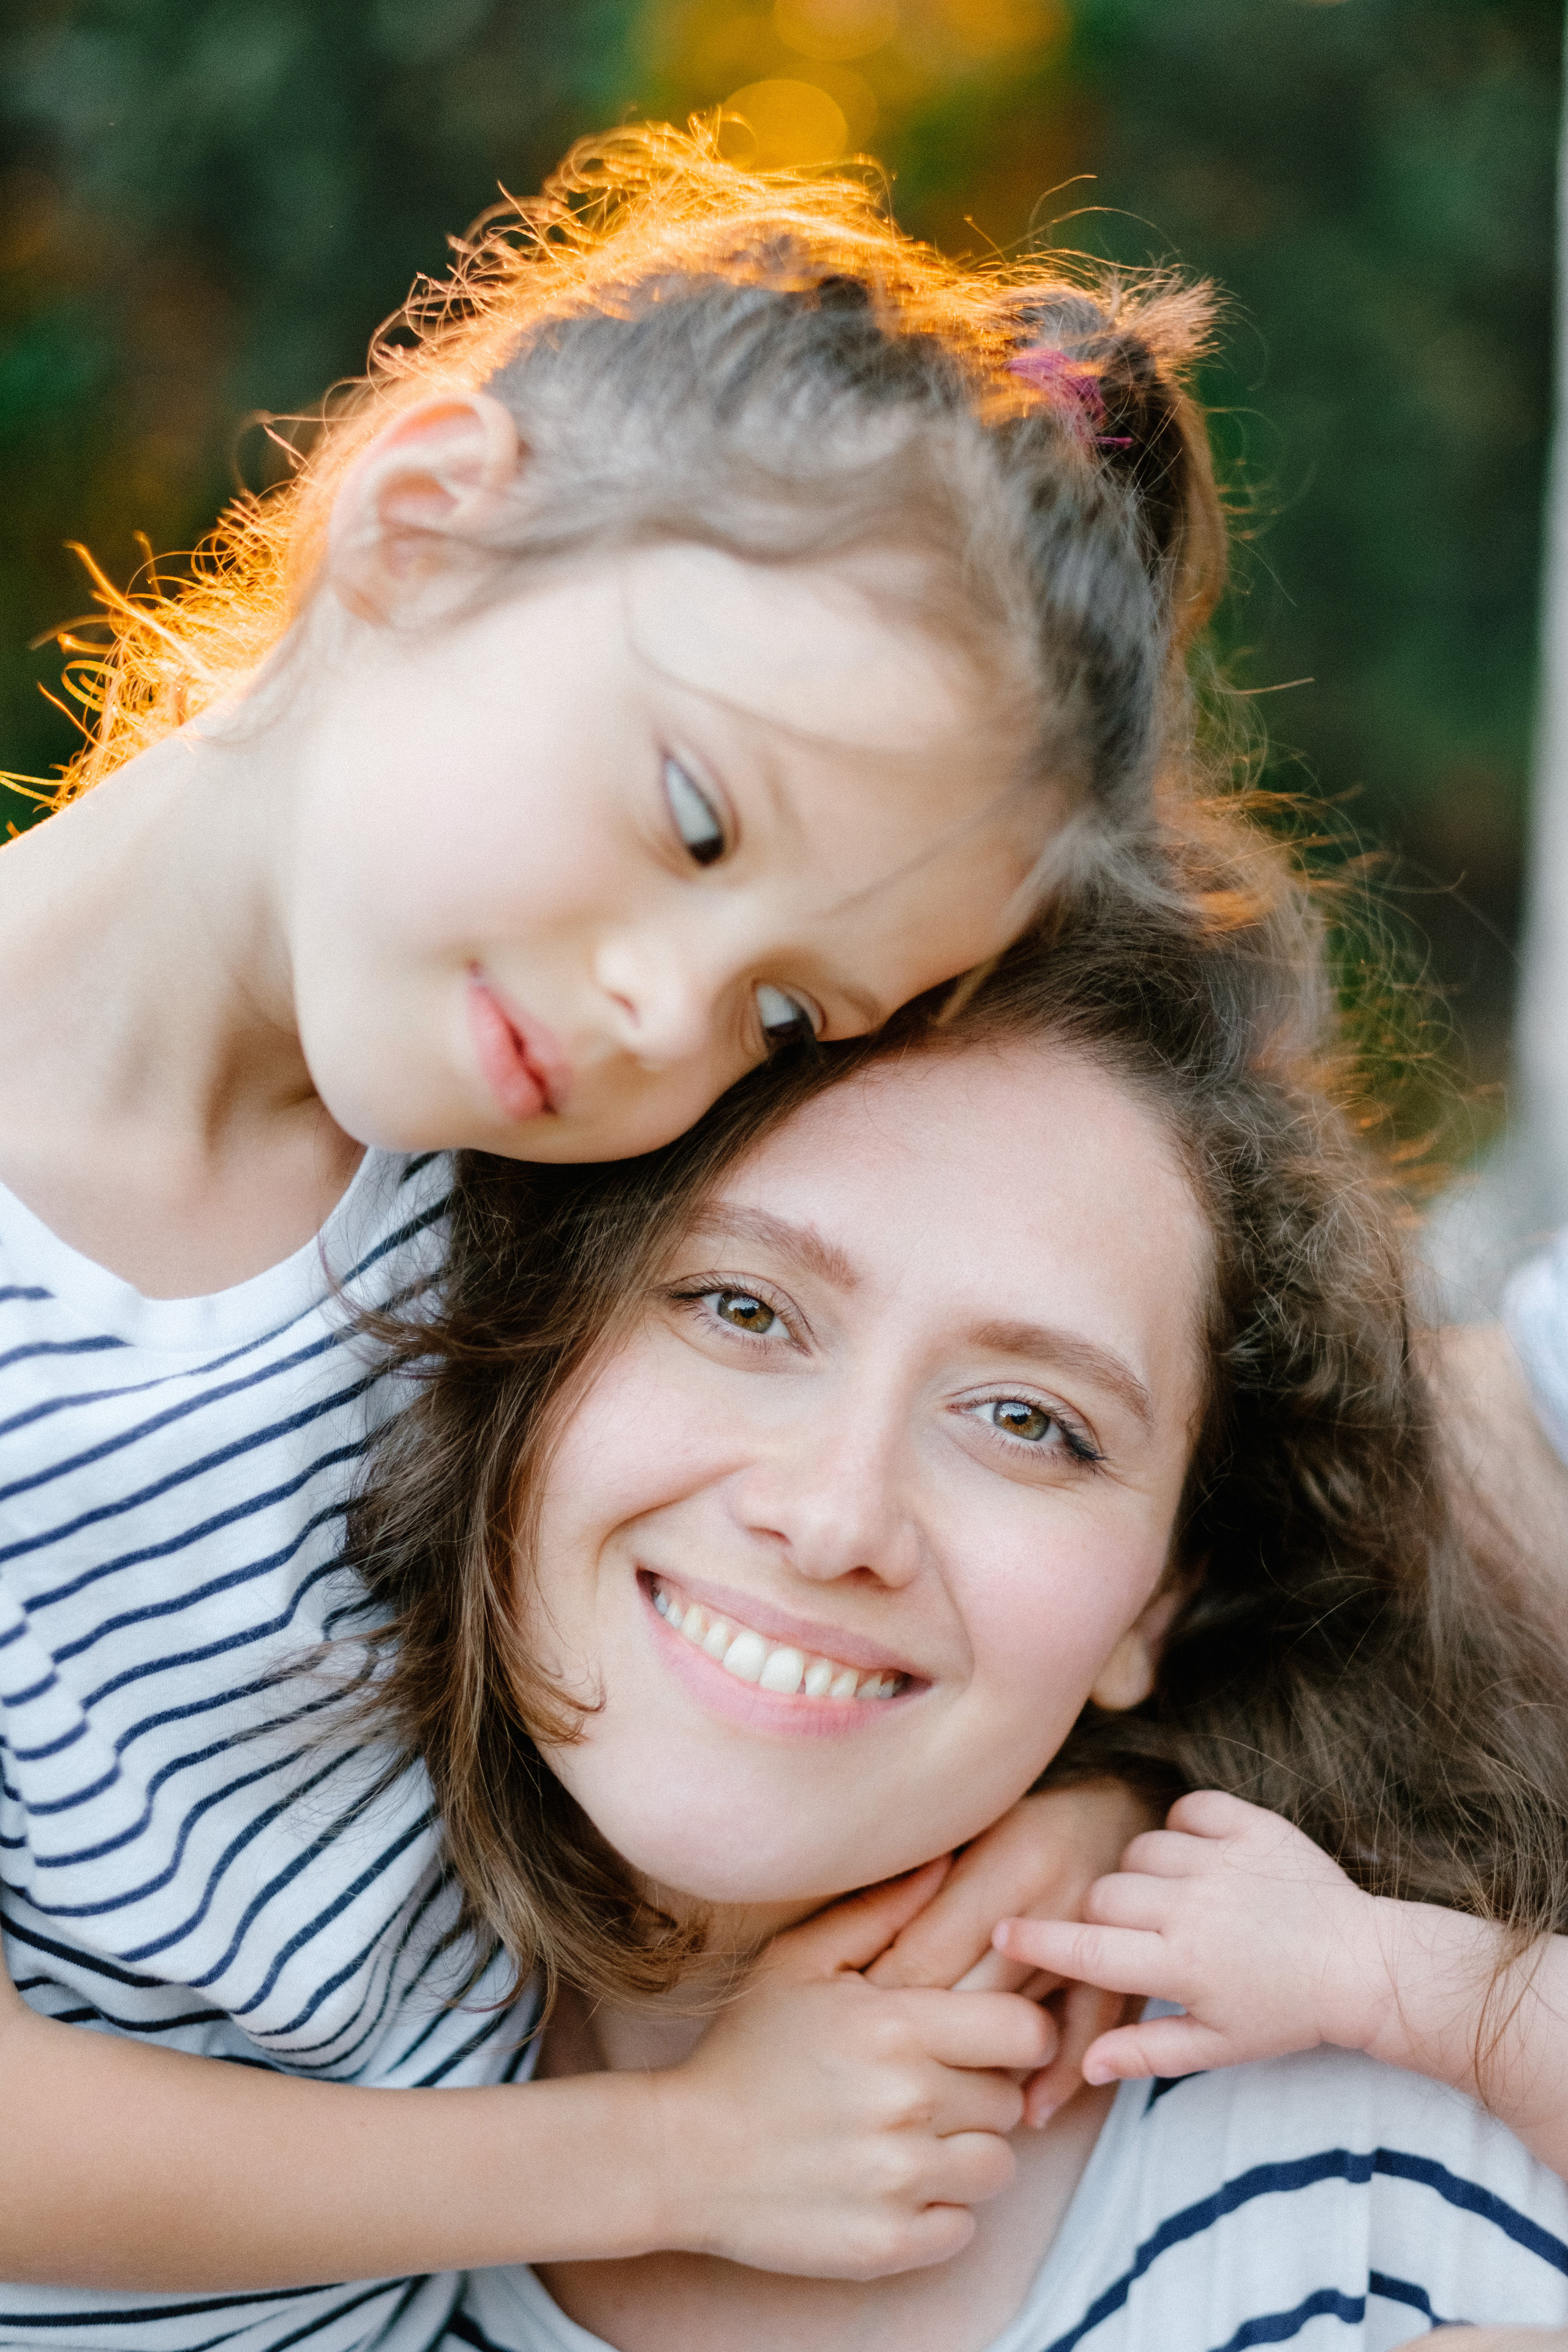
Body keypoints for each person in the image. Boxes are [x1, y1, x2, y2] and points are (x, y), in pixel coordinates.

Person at [0, 119, 1231, 2339]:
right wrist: (674, 2156)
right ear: (424, 517)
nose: (675, 1013)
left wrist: (1062, 1818)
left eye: (789, 1007)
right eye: (691, 816)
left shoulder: (506, 1154)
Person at [333, 815, 1568, 2350]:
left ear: (1152, 1603)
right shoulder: (217, 2127)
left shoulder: (1398, 2187)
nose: (836, 1512)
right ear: (528, 1351)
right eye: (741, 1306)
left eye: (1028, 1424)